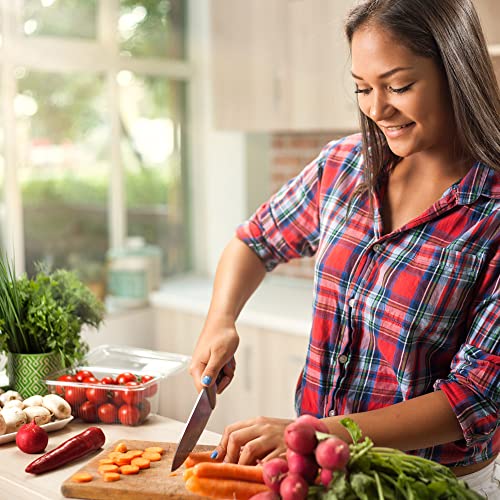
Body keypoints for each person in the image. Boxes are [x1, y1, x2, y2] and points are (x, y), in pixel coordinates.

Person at [190, 0, 500, 495]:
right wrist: (219, 320)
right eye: (362, 87)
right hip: (321, 472)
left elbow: (478, 397)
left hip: (434, 485)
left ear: (455, 71)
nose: (376, 108)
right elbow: (254, 241)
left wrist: (323, 434)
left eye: (398, 86)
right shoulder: (342, 167)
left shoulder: (492, 213)